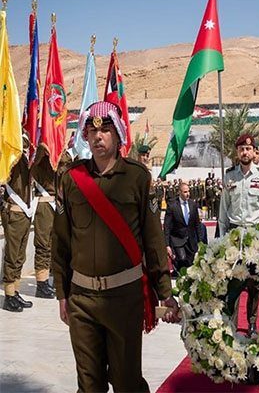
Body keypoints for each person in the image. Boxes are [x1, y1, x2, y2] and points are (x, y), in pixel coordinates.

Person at [52, 101, 179, 392]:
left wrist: (165, 293)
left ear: (118, 134)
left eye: (105, 130)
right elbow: (60, 242)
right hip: (82, 299)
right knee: (88, 383)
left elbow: (153, 240)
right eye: (91, 132)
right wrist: (63, 294)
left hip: (125, 298)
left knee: (126, 382)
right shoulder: (71, 180)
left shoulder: (137, 177)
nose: (98, 137)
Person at [218, 134, 259, 336]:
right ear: (237, 152)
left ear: (254, 152)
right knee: (232, 282)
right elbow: (224, 210)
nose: (245, 152)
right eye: (241, 149)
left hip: (255, 234)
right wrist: (222, 237)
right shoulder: (229, 176)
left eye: (248, 149)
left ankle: (252, 322)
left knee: (254, 284)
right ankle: (231, 323)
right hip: (234, 234)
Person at [2, 136, 36, 312]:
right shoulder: (11, 157)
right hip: (14, 212)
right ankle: (9, 296)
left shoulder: (24, 157)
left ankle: (15, 291)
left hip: (24, 212)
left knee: (20, 256)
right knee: (12, 255)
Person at [31, 149, 57, 298]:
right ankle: (41, 283)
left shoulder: (58, 156)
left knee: (53, 244)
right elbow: (34, 165)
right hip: (44, 203)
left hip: (55, 203)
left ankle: (48, 280)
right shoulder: (40, 156)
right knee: (43, 245)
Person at [164, 182, 203, 273]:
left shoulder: (192, 205)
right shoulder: (172, 205)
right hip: (178, 240)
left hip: (191, 240)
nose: (188, 194)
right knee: (182, 259)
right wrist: (167, 244)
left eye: (188, 191)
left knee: (190, 263)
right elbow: (167, 226)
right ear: (179, 192)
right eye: (185, 192)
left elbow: (197, 224)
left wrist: (200, 241)